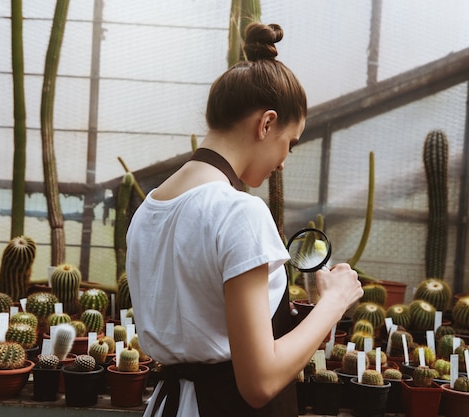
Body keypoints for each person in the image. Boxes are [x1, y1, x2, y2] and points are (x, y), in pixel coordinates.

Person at [126, 22, 364, 417]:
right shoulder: (240, 212)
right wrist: (334, 301)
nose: (284, 162)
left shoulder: (149, 208)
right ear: (266, 123)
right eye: (289, 142)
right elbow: (260, 382)